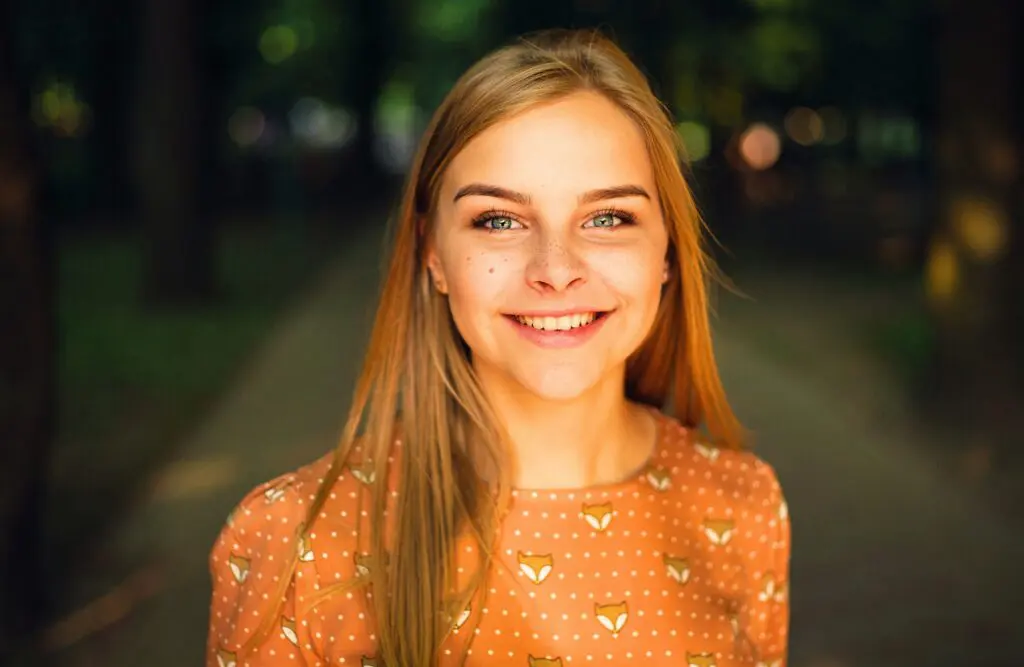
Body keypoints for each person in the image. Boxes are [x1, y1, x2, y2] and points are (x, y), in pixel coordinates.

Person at [207, 28, 790, 667]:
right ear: (433, 254)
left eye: (607, 218)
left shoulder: (743, 504)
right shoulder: (293, 540)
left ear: (667, 254)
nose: (555, 268)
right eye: (498, 220)